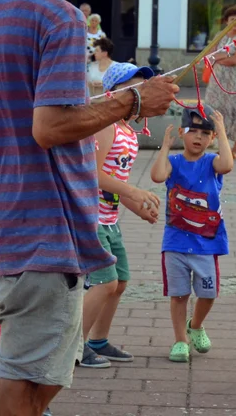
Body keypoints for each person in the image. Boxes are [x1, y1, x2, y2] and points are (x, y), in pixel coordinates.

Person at [0, 0, 178, 416]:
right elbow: (51, 127)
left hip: (11, 221)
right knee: (22, 385)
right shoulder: (60, 18)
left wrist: (1, 164)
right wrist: (133, 99)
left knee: (36, 381)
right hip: (49, 231)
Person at [77, 63, 164, 369]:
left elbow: (116, 181)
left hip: (110, 220)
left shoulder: (128, 131)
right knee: (105, 282)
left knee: (121, 281)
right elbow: (92, 175)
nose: (143, 96)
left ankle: (98, 340)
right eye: (137, 89)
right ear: (116, 94)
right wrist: (135, 193)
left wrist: (135, 206)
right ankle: (74, 346)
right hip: (91, 220)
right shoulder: (107, 126)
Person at [151, 105, 234, 363]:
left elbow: (228, 164)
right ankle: (180, 341)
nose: (198, 137)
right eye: (193, 131)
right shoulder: (174, 163)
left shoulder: (211, 163)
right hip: (175, 242)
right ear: (182, 133)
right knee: (178, 294)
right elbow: (156, 176)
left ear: (211, 138)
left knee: (208, 293)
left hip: (206, 244)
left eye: (205, 132)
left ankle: (195, 325)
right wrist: (164, 147)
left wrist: (221, 130)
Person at [206, 4, 236, 159]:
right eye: (233, 19)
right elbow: (210, 54)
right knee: (216, 109)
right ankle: (220, 145)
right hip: (217, 79)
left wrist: (219, 59)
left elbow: (235, 59)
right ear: (226, 21)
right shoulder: (220, 35)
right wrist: (219, 58)